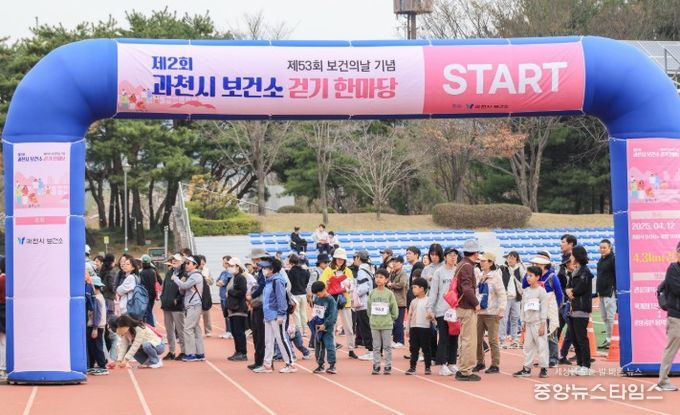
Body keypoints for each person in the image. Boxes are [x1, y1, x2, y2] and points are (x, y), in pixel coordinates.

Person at [523, 251, 564, 367]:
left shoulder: (552, 276)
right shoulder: (532, 275)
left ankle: (553, 358)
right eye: (534, 263)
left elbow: (559, 293)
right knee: (538, 335)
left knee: (551, 332)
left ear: (544, 264)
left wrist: (558, 307)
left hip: (549, 306)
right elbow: (524, 285)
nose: (535, 265)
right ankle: (543, 359)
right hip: (536, 308)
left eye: (538, 264)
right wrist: (527, 275)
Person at [256, 259, 296, 374]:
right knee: (268, 341)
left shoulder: (277, 281)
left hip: (276, 315)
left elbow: (281, 299)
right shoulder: (268, 281)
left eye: (265, 268)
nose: (263, 270)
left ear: (272, 269)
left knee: (281, 339)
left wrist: (281, 314)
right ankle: (267, 365)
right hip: (268, 315)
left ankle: (290, 364)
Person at [427, 247, 460, 376]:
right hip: (442, 310)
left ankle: (452, 362)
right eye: (450, 255)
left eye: (455, 255)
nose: (453, 257)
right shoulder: (439, 272)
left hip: (455, 310)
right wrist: (430, 309)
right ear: (445, 257)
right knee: (444, 337)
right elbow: (434, 292)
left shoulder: (458, 271)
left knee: (454, 337)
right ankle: (442, 364)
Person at [319, 248, 356, 358]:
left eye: (342, 259)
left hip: (345, 302)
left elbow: (352, 286)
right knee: (331, 326)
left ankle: (351, 349)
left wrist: (344, 287)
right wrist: (328, 284)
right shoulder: (328, 270)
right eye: (338, 258)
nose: (340, 260)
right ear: (334, 258)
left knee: (349, 327)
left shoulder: (348, 271)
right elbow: (322, 284)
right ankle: (332, 348)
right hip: (332, 302)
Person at [513, 266, 549, 378]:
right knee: (527, 347)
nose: (528, 278)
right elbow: (523, 307)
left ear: (537, 277)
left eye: (531, 275)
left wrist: (543, 324)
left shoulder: (541, 291)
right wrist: (523, 321)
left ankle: (544, 368)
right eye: (527, 275)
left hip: (538, 323)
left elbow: (544, 308)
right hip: (528, 324)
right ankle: (526, 368)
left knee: (541, 346)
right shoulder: (526, 291)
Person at [474, 252, 506, 374]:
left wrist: (501, 309)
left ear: (491, 262)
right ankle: (480, 362)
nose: (481, 263)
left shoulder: (496, 276)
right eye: (481, 261)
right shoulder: (479, 275)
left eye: (484, 261)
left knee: (492, 340)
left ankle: (495, 364)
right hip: (479, 312)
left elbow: (502, 294)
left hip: (492, 312)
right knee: (477, 339)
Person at [456, 239, 482, 382]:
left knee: (464, 339)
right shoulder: (467, 266)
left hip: (462, 306)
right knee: (469, 340)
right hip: (467, 307)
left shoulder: (462, 264)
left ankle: (463, 367)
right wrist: (476, 303)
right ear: (475, 253)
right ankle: (465, 370)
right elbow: (467, 288)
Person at [566, 246, 594, 376]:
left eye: (572, 255)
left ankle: (586, 365)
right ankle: (580, 364)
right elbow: (568, 287)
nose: (571, 257)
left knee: (581, 338)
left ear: (577, 256)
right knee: (575, 338)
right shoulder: (575, 271)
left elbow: (580, 289)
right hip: (573, 308)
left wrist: (571, 292)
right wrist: (569, 291)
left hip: (581, 308)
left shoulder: (585, 271)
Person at [171, 256, 205, 362]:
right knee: (195, 329)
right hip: (193, 305)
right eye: (186, 263)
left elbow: (185, 286)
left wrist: (176, 279)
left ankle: (190, 354)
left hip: (194, 305)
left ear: (195, 265)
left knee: (188, 329)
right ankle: (200, 353)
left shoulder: (195, 276)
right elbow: (183, 289)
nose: (186, 265)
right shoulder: (191, 275)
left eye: (189, 263)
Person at [657, 241, 680, 391]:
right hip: (676, 316)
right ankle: (663, 381)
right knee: (671, 349)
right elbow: (677, 289)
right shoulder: (673, 269)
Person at [368, 269, 399, 375]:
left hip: (386, 324)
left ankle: (387, 366)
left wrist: (391, 319)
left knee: (387, 346)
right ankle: (376, 365)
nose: (378, 279)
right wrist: (372, 319)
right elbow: (369, 308)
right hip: (375, 324)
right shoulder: (372, 293)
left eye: (381, 277)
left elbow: (394, 309)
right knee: (376, 346)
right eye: (377, 277)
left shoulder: (389, 294)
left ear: (386, 280)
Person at [160, 253, 185, 361]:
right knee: (169, 330)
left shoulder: (184, 273)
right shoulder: (169, 272)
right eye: (173, 259)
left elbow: (184, 290)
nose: (174, 261)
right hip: (166, 305)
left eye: (176, 260)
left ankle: (184, 351)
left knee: (180, 330)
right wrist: (162, 297)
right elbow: (164, 287)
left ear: (182, 262)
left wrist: (178, 299)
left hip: (177, 306)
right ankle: (171, 351)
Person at [247, 248, 268, 371]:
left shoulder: (264, 272)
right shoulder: (259, 272)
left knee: (260, 335)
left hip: (262, 305)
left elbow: (262, 287)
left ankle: (262, 362)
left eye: (254, 259)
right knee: (256, 334)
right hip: (257, 305)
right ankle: (258, 361)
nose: (253, 262)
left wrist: (252, 295)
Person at [311, 281, 338, 374]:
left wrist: (325, 325)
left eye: (318, 294)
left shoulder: (330, 300)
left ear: (324, 289)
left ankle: (332, 365)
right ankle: (320, 365)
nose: (317, 296)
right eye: (316, 294)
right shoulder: (317, 299)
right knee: (318, 346)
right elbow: (316, 311)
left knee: (329, 345)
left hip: (327, 327)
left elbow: (333, 315)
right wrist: (314, 321)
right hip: (318, 326)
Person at [406, 277, 432, 375]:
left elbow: (432, 314)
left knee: (426, 348)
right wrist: (408, 328)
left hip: (425, 328)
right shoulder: (413, 302)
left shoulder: (429, 301)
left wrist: (431, 316)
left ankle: (427, 367)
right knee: (414, 348)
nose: (413, 289)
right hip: (414, 328)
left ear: (422, 289)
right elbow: (409, 316)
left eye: (415, 287)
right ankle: (412, 367)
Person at [352, 250, 374, 361]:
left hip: (363, 303)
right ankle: (373, 350)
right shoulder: (369, 269)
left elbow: (364, 287)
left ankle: (371, 351)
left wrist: (355, 293)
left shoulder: (361, 271)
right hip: (368, 302)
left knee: (366, 328)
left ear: (358, 258)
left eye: (354, 258)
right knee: (369, 327)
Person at [499, 251, 524, 349]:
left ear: (517, 259)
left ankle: (514, 340)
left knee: (515, 319)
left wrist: (522, 265)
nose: (510, 260)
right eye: (508, 258)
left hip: (516, 298)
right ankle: (501, 340)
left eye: (512, 258)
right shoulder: (502, 269)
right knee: (503, 319)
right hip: (505, 298)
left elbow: (525, 279)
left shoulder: (520, 269)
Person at [226, 257, 248, 361]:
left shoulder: (241, 278)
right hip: (233, 309)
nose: (230, 268)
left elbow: (242, 292)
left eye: (232, 266)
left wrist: (230, 292)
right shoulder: (234, 278)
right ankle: (238, 351)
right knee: (235, 332)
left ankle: (242, 352)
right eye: (229, 266)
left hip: (239, 309)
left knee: (239, 332)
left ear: (238, 266)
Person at [596, 239, 616, 349]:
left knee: (610, 316)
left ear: (610, 248)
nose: (602, 249)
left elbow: (616, 275)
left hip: (610, 292)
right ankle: (609, 338)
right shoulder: (601, 259)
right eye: (601, 247)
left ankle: (612, 339)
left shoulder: (613, 259)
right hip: (602, 292)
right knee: (604, 317)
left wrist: (615, 290)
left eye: (604, 247)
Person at [87, 276, 109, 375]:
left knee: (97, 347)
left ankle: (102, 366)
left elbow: (97, 314)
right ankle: (92, 365)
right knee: (92, 347)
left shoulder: (96, 298)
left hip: (96, 326)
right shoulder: (99, 297)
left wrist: (95, 328)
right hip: (96, 325)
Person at [388, 256, 409, 349]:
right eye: (394, 262)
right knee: (393, 322)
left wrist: (391, 284)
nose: (394, 264)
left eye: (396, 262)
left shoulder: (403, 274)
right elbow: (387, 281)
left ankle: (400, 341)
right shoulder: (392, 273)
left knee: (399, 322)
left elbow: (402, 284)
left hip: (400, 301)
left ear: (401, 263)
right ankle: (395, 340)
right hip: (393, 301)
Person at [287, 254, 310, 336]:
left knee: (296, 313)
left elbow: (289, 284)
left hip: (295, 294)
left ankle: (299, 330)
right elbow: (307, 281)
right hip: (303, 294)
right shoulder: (304, 270)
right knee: (303, 312)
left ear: (291, 262)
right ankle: (305, 330)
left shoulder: (291, 271)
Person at [216, 256, 233, 339]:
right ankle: (227, 330)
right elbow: (217, 282)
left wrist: (221, 283)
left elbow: (224, 283)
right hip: (222, 296)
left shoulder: (230, 273)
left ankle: (231, 331)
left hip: (227, 296)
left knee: (229, 314)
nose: (223, 263)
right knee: (225, 314)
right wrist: (220, 282)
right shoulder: (223, 272)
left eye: (224, 261)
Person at [197, 255, 213, 337]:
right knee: (197, 313)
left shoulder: (207, 270)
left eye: (203, 264)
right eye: (201, 263)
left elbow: (212, 282)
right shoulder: (195, 270)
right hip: (197, 294)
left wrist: (207, 279)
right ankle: (197, 331)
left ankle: (208, 331)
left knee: (206, 313)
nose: (202, 265)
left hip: (206, 293)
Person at [139, 255, 158, 326]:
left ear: (142, 263)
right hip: (152, 294)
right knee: (149, 311)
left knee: (147, 313)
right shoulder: (153, 271)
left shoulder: (141, 273)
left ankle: (151, 327)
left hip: (144, 295)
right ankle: (150, 326)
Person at [0, 257, 7, 382]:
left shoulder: (2, 279)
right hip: (6, 311)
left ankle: (2, 368)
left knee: (2, 341)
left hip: (2, 310)